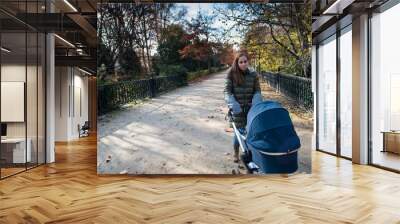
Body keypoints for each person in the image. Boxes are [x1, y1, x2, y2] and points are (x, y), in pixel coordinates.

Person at [224, 51, 263, 163]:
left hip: (251, 110)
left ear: (248, 61)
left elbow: (257, 90)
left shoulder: (253, 74)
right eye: (241, 62)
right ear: (237, 63)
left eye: (245, 61)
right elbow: (227, 91)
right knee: (239, 134)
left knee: (251, 133)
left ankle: (249, 154)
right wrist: (233, 103)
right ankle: (236, 153)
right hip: (238, 110)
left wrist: (256, 102)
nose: (243, 64)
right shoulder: (231, 74)